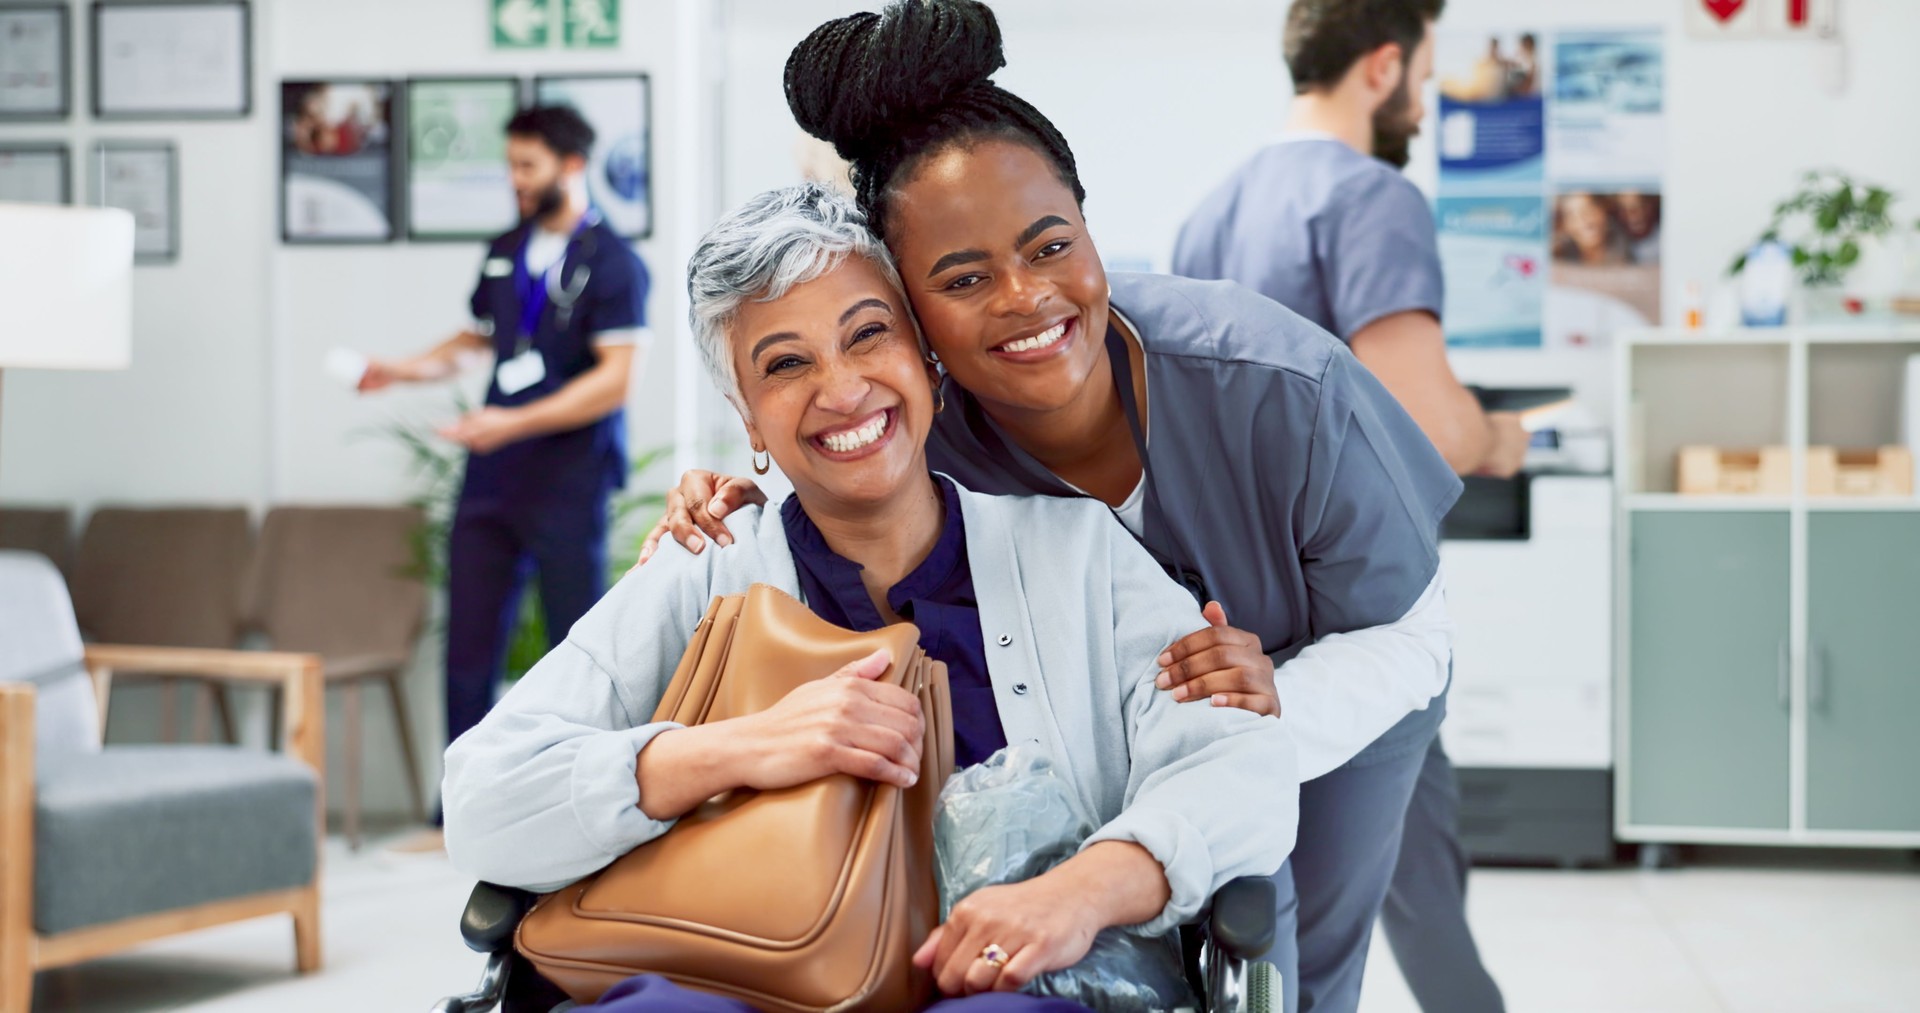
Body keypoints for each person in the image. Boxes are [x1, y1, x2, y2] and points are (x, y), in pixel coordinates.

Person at [640, 3, 1461, 1011]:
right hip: (1124, 753)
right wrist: (731, 499)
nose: (1026, 297)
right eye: (964, 276)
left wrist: (1267, 709)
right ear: (912, 314)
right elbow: (820, 465)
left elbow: (1416, 635)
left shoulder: (1278, 384)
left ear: (1085, 218)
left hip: (1337, 694)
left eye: (1049, 244)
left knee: (1288, 960)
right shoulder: (924, 424)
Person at [441, 183, 1298, 1009]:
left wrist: (1080, 890)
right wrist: (735, 749)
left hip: (1009, 984)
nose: (842, 388)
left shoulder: (1077, 553)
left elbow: (1237, 766)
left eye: (867, 335)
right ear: (748, 419)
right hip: (740, 980)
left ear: (925, 358)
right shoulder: (706, 566)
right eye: (785, 364)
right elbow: (481, 796)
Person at [1172, 2, 1517, 1009]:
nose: (1424, 95)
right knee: (1386, 904)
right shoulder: (1373, 198)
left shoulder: (1213, 206)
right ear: (1381, 67)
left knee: (1267, 912)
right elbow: (1433, 423)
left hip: (1231, 626)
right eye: (1423, 73)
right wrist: (1501, 435)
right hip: (1362, 619)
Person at [355, 104, 650, 829]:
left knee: (574, 647)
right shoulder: (504, 248)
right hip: (493, 480)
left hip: (567, 481)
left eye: (528, 167)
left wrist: (510, 422)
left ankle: (572, 802)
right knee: (469, 643)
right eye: (511, 166)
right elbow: (479, 338)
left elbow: (614, 380)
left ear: (571, 166)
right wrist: (401, 369)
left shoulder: (614, 262)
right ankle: (456, 809)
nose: (515, 181)